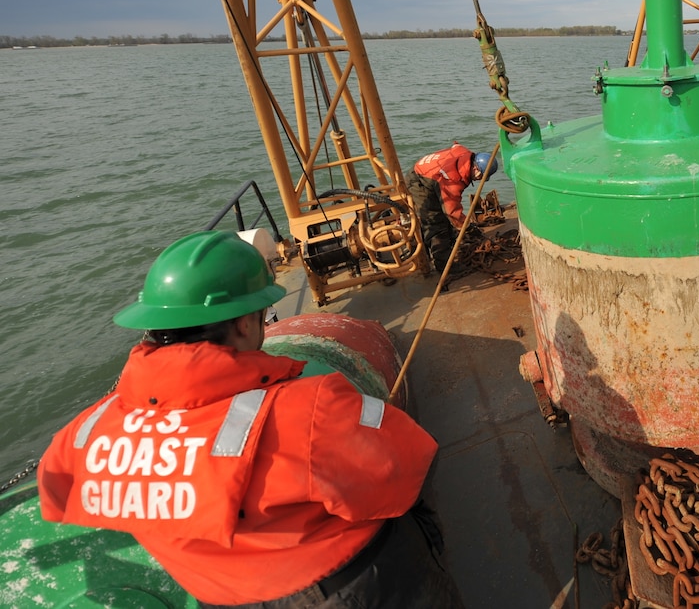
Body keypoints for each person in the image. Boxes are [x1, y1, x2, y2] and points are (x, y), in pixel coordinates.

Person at [37, 230, 465, 608]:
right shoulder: (314, 408)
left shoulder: (83, 435)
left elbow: (57, 495)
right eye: (262, 316)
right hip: (351, 587)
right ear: (244, 324)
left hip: (217, 596)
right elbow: (407, 467)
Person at [406, 143, 498, 273]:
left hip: (429, 171)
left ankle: (444, 246)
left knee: (444, 218)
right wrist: (467, 228)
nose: (480, 180)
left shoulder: (465, 156)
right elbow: (452, 212)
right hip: (420, 181)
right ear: (476, 169)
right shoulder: (452, 180)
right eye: (481, 177)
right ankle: (444, 266)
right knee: (436, 223)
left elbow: (456, 146)